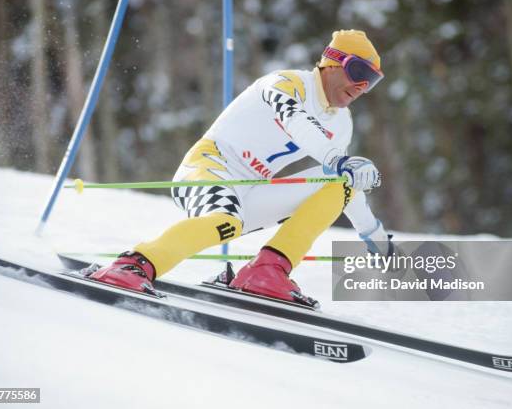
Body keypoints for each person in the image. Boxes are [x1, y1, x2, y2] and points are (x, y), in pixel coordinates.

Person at [88, 29, 391, 304]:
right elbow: (296, 122)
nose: (362, 87)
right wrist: (337, 159)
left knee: (341, 182)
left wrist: (376, 239)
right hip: (210, 165)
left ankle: (267, 270)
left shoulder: (341, 123)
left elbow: (345, 182)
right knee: (227, 219)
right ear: (332, 62)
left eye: (372, 81)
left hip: (251, 190)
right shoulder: (286, 84)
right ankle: (135, 264)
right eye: (358, 72)